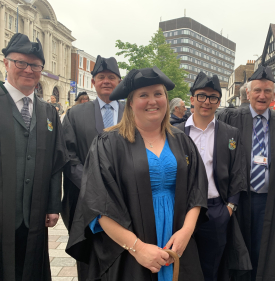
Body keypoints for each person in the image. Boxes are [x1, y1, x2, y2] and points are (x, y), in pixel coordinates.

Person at [66, 66, 209, 281]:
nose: (152, 101)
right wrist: (138, 248)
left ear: (166, 99)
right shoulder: (108, 143)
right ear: (130, 102)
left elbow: (196, 190)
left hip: (178, 243)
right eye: (143, 95)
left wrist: (186, 232)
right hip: (130, 248)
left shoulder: (182, 141)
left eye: (158, 94)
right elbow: (99, 205)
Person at [218, 66, 275, 281]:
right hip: (238, 199)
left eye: (268, 91)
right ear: (248, 93)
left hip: (269, 201)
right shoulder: (230, 117)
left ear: (274, 94)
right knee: (237, 249)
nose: (262, 96)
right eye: (258, 90)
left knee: (264, 250)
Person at [0, 33, 68, 280]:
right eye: (21, 63)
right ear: (6, 62)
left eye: (35, 65)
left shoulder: (48, 111)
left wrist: (52, 205)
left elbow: (56, 162)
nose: (28, 70)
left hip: (35, 217)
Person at [176, 72, 249, 281]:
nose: (206, 102)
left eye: (213, 97)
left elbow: (238, 173)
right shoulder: (175, 132)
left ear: (219, 102)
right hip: (182, 212)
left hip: (216, 212)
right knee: (182, 268)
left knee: (212, 269)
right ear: (191, 99)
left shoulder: (230, 133)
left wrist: (229, 208)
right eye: (201, 96)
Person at [61, 55, 125, 280]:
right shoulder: (75, 114)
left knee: (124, 256)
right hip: (86, 202)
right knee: (90, 262)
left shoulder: (133, 113)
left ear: (119, 81)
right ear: (93, 81)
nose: (106, 81)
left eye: (111, 77)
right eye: (101, 77)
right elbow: (68, 157)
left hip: (126, 200)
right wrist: (93, 185)